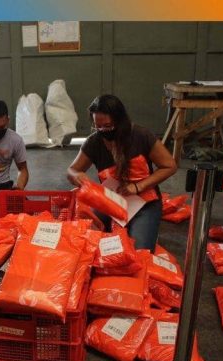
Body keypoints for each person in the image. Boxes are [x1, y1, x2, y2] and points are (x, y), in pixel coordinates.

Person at [67, 94, 177, 252]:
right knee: (82, 237)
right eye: (98, 126)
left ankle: (145, 228)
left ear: (120, 120)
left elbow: (169, 166)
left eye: (108, 126)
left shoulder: (141, 136)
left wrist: (138, 186)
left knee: (139, 252)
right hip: (112, 202)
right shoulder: (94, 142)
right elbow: (71, 170)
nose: (103, 130)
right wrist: (76, 176)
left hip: (144, 203)